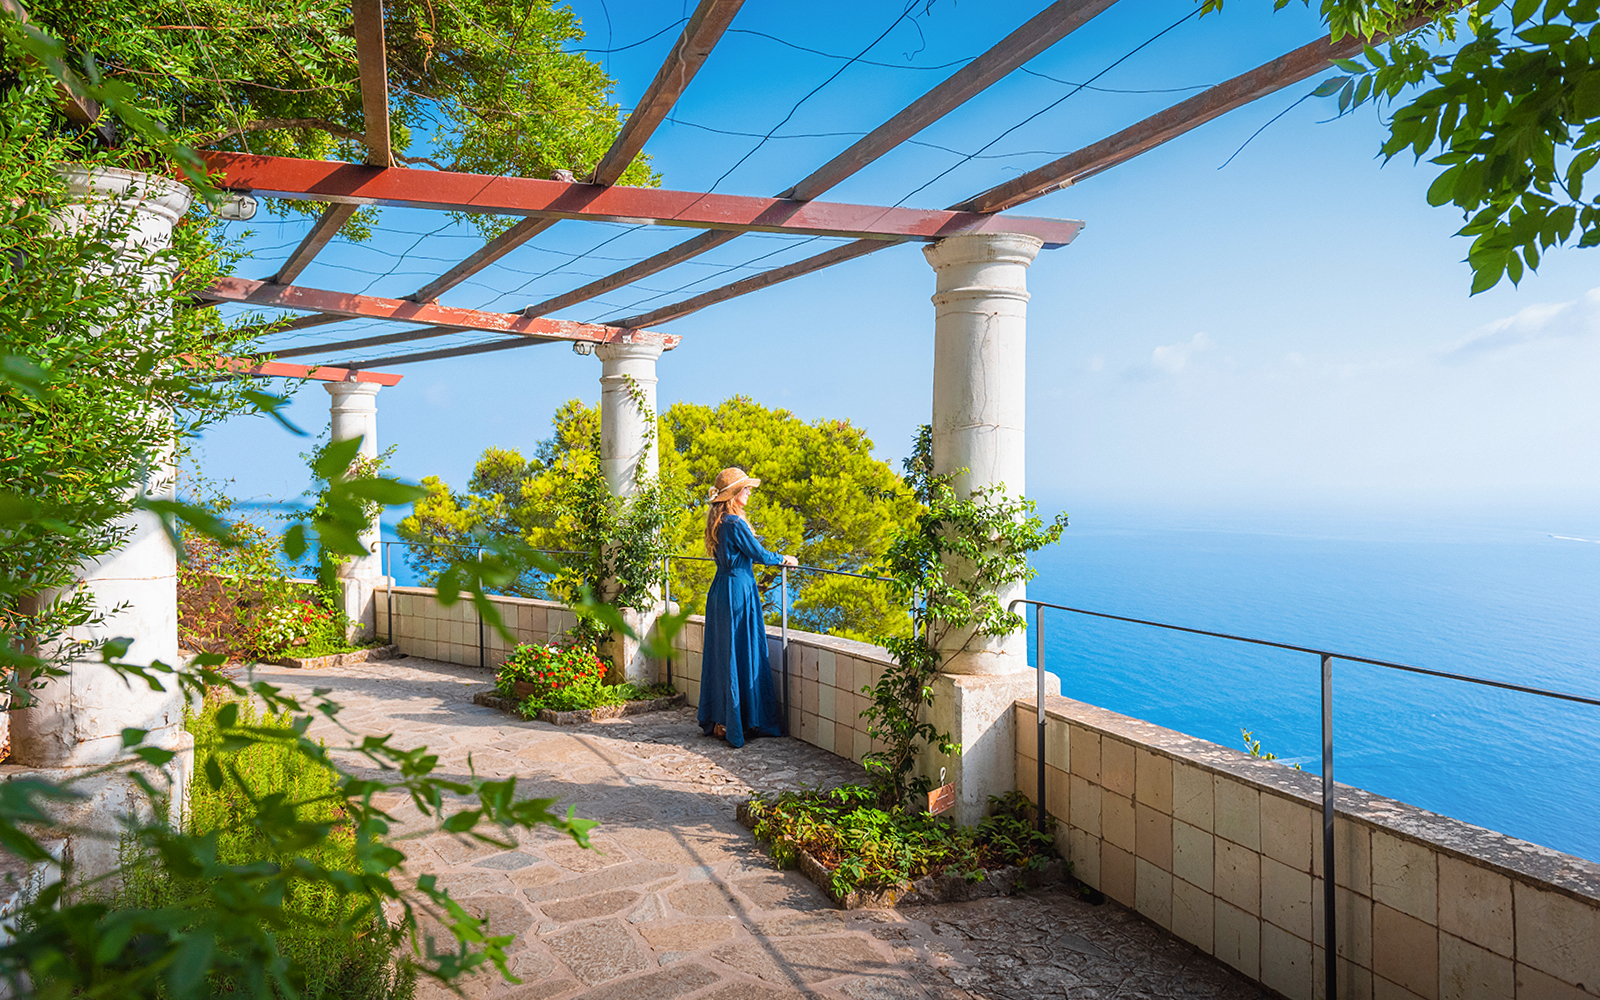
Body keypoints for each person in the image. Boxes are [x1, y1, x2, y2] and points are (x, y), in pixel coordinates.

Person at [698, 467, 797, 747]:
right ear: (734, 495)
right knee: (741, 650)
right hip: (738, 590)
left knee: (723, 654)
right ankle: (740, 722)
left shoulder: (718, 522)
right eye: (746, 489)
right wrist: (784, 558)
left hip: (719, 589)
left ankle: (721, 720)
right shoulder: (735, 524)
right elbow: (759, 554)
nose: (750, 492)